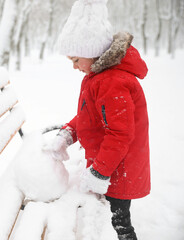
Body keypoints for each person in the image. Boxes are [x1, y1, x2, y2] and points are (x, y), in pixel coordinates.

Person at [44, 0, 151, 239]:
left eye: (75, 60)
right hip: (110, 164)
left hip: (118, 169)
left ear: (92, 51)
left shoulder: (112, 82)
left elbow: (120, 134)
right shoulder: (98, 76)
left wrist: (99, 173)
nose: (74, 67)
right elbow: (89, 116)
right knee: (113, 217)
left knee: (120, 222)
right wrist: (67, 134)